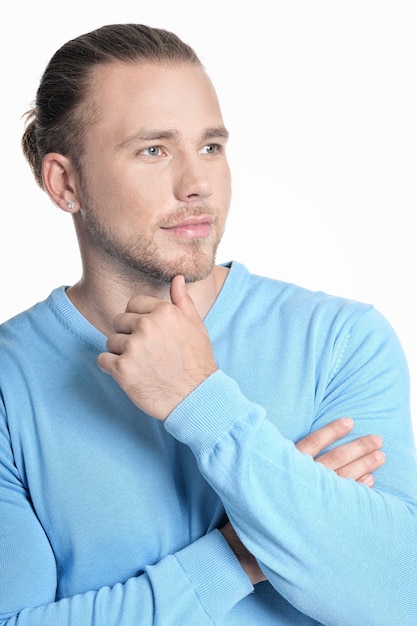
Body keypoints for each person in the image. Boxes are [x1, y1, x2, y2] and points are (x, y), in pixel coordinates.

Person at [0, 23, 416, 626]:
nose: (197, 185)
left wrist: (200, 400)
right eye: (153, 150)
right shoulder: (9, 381)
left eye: (211, 147)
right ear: (66, 183)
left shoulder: (341, 341)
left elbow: (398, 601)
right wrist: (239, 553)